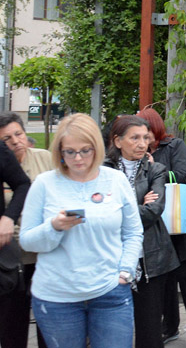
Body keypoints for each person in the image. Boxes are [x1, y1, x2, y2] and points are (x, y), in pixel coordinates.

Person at [19, 113, 144, 348]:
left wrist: (125, 272)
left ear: (96, 147)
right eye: (70, 152)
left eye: (85, 150)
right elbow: (27, 241)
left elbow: (133, 232)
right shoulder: (44, 184)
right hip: (57, 297)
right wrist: (53, 227)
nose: (78, 158)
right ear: (60, 152)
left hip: (110, 292)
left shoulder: (115, 180)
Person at [138, 108, 186, 347]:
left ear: (155, 129)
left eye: (146, 133)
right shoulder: (136, 154)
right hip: (156, 226)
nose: (142, 139)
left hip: (180, 223)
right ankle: (169, 327)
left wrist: (155, 170)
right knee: (165, 280)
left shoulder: (174, 145)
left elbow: (184, 175)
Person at [105, 115, 179, 348]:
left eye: (145, 138)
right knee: (112, 328)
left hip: (151, 259)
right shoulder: (103, 170)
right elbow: (102, 211)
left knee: (149, 329)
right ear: (117, 141)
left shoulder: (155, 169)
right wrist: (139, 204)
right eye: (134, 138)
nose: (141, 144)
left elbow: (154, 210)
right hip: (110, 258)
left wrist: (120, 209)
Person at [0, 112, 52, 347]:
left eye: (18, 134)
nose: (14, 141)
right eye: (6, 138)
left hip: (42, 255)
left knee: (47, 321)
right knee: (13, 321)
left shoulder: (45, 159)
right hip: (11, 258)